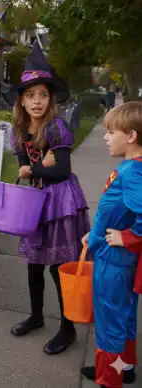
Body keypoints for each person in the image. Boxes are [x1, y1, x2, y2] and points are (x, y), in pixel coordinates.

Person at [3, 41, 90, 355]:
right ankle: (37, 316)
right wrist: (38, 168)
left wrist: (36, 168)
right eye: (30, 95)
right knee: (33, 265)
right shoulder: (18, 132)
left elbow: (63, 170)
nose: (37, 101)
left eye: (42, 94)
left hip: (61, 201)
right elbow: (24, 169)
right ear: (22, 101)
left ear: (50, 98)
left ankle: (68, 329)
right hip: (36, 202)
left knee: (58, 267)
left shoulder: (56, 128)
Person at [80, 101, 142, 388]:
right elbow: (113, 212)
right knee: (125, 314)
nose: (105, 137)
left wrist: (127, 237)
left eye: (110, 132)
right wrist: (95, 233)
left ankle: (109, 379)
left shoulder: (132, 173)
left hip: (114, 260)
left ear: (130, 136)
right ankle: (124, 368)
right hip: (120, 258)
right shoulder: (133, 167)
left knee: (109, 321)